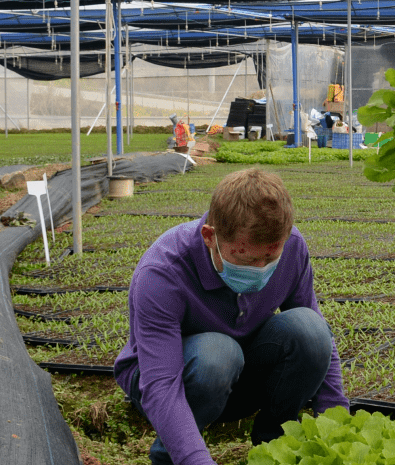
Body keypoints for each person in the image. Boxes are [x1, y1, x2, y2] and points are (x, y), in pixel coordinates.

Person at [115, 168, 348, 465]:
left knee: (310, 330)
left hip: (240, 374)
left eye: (270, 258)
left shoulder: (292, 248)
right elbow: (160, 383)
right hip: (168, 381)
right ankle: (171, 456)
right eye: (247, 259)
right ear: (210, 237)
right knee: (217, 354)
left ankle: (272, 448)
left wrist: (338, 426)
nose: (260, 268)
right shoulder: (162, 272)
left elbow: (319, 336)